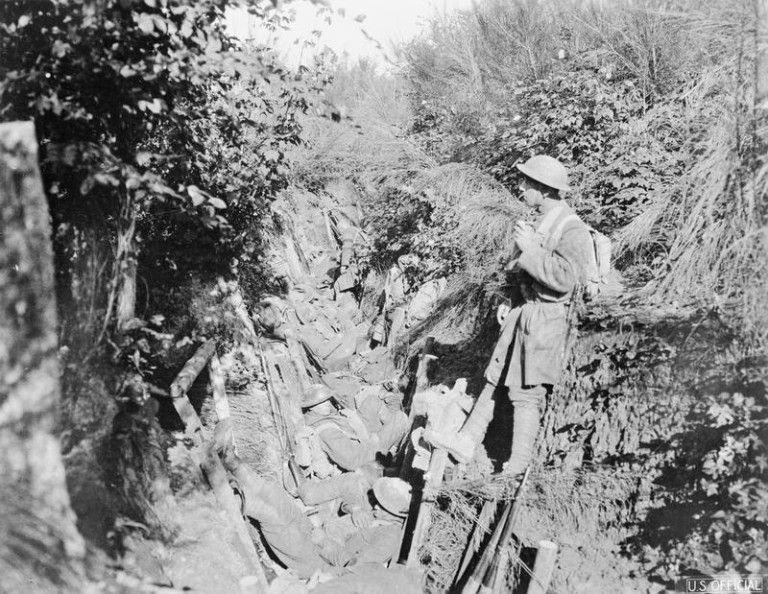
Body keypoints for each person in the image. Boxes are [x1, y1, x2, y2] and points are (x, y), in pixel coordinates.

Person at [423, 155, 593, 476]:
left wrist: (529, 249)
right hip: (523, 312)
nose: (522, 187)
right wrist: (509, 297)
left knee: (526, 393)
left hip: (546, 321)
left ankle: (516, 467)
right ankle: (467, 439)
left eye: (528, 183)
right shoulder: (542, 222)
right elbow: (524, 271)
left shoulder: (572, 229)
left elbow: (565, 279)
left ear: (543, 189)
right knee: (495, 378)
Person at [300, 384, 408, 473]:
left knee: (372, 401)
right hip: (363, 450)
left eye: (328, 400)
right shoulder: (326, 431)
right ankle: (393, 453)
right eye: (322, 402)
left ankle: (393, 435)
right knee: (400, 418)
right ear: (311, 407)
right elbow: (352, 460)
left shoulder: (319, 415)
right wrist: (375, 441)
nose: (328, 403)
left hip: (354, 432)